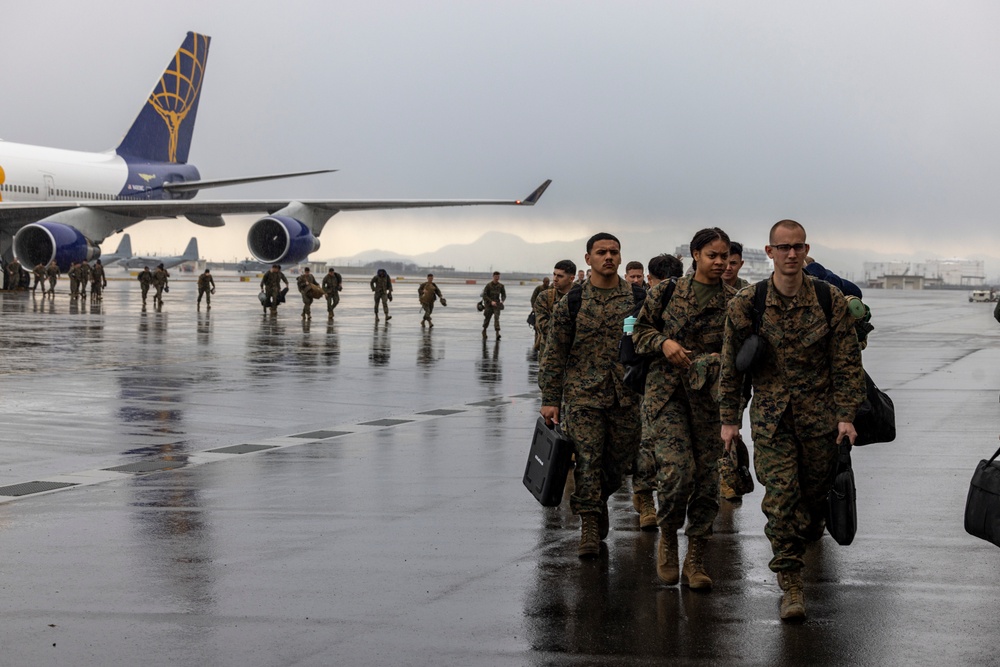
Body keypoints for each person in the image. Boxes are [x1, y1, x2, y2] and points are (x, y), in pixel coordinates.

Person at [719, 219, 865, 622]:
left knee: (812, 500)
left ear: (806, 250)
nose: (791, 254)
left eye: (798, 247)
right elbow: (733, 367)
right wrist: (729, 419)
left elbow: (847, 361)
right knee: (781, 500)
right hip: (772, 422)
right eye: (783, 247)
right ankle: (792, 584)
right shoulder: (748, 303)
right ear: (769, 252)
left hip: (820, 421)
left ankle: (809, 531)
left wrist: (846, 416)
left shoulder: (828, 299)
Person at [633, 229, 736, 589]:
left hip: (710, 402)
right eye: (712, 255)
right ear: (696, 255)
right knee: (678, 473)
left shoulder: (735, 301)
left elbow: (742, 354)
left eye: (724, 256)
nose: (720, 262)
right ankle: (668, 537)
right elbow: (639, 331)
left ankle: (696, 558)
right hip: (667, 395)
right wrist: (664, 343)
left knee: (708, 483)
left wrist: (714, 361)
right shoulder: (667, 292)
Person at [538, 233, 642, 559]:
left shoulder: (639, 298)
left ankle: (599, 502)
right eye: (601, 252)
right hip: (583, 396)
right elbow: (554, 352)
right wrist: (550, 398)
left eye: (613, 252)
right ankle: (589, 527)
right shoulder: (573, 301)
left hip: (626, 396)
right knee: (587, 461)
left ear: (621, 257)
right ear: (588, 259)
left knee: (617, 465)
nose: (608, 257)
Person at [630, 253, 684, 530]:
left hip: (676, 389)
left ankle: (650, 499)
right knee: (648, 444)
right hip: (649, 386)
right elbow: (631, 344)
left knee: (657, 449)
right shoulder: (644, 305)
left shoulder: (686, 303)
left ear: (649, 278)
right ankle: (645, 499)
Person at [534, 260, 576, 360]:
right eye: (554, 275)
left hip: (575, 359)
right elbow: (545, 328)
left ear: (571, 278)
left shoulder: (581, 297)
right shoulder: (545, 297)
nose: (555, 279)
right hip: (550, 359)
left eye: (560, 276)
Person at [481, 271, 506, 339]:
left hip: (497, 305)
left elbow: (504, 295)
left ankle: (497, 333)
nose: (497, 278)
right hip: (489, 305)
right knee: (487, 319)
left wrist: (502, 300)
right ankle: (484, 331)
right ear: (493, 277)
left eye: (498, 276)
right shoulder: (488, 285)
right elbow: (484, 295)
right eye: (496, 276)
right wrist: (491, 301)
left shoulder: (501, 286)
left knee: (496, 318)